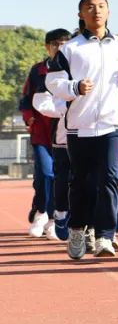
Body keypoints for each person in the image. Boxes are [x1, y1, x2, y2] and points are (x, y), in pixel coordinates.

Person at [45, 0, 118, 259]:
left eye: (101, 6)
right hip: (79, 125)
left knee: (110, 177)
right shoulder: (70, 49)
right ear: (80, 15)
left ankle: (105, 235)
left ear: (108, 11)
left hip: (112, 124)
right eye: (90, 7)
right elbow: (53, 82)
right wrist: (75, 87)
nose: (96, 11)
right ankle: (77, 229)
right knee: (82, 181)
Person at [20, 28, 70, 239]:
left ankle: (53, 219)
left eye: (64, 44)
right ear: (47, 47)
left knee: (61, 177)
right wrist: (29, 118)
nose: (60, 48)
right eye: (56, 44)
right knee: (46, 173)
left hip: (66, 131)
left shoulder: (73, 70)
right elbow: (25, 99)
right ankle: (42, 213)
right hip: (41, 131)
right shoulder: (37, 70)